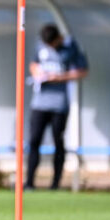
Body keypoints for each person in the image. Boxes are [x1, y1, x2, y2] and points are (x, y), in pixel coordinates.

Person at [25, 24, 88, 190]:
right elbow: (33, 64)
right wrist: (38, 73)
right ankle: (30, 182)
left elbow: (82, 70)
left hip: (59, 105)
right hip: (39, 104)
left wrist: (59, 77)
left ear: (58, 39)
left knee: (58, 143)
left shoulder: (70, 47)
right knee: (34, 142)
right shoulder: (40, 45)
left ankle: (55, 183)